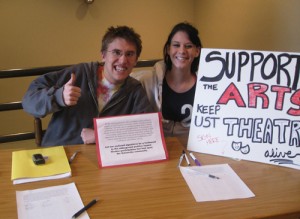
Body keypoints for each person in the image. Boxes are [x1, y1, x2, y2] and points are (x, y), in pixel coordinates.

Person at [22, 26, 153, 146]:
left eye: (129, 54)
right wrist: (59, 96)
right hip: (60, 154)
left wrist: (101, 136)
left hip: (104, 162)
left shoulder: (135, 90)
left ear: (136, 60)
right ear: (103, 55)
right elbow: (29, 101)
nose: (123, 60)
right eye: (116, 52)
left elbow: (147, 129)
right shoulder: (78, 73)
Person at [132, 22, 202, 136]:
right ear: (169, 49)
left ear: (197, 51)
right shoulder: (147, 81)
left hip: (193, 149)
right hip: (158, 148)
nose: (182, 51)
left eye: (188, 46)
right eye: (176, 45)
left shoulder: (207, 86)